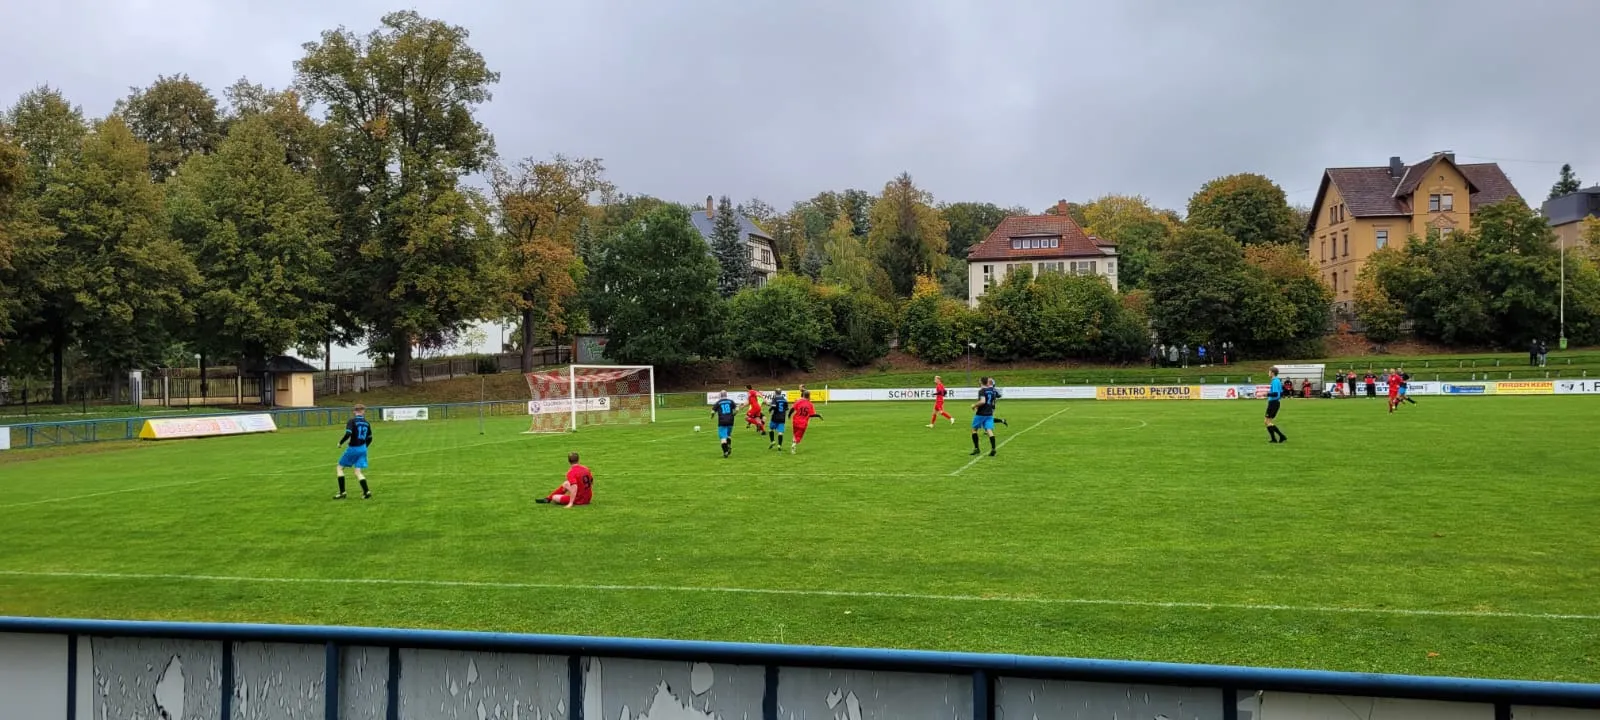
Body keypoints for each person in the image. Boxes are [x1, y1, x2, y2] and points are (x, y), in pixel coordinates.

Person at [335, 404, 374, 499]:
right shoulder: (367, 423)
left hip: (353, 448)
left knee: (339, 468)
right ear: (363, 411)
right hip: (363, 448)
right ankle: (366, 492)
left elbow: (348, 433)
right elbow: (370, 438)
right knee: (358, 471)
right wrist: (364, 447)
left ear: (354, 411)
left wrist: (340, 442)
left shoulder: (352, 421)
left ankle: (342, 492)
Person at [969, 377, 1007, 457]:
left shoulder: (982, 391)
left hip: (981, 414)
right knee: (989, 430)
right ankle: (993, 449)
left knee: (974, 430)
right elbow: (995, 398)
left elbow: (982, 401)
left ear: (981, 382)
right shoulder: (992, 390)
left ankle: (976, 449)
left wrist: (974, 405)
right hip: (989, 413)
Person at [790, 390, 822, 454]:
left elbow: (792, 408)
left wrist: (789, 415)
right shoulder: (810, 404)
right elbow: (811, 415)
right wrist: (818, 415)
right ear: (809, 396)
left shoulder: (798, 401)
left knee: (795, 434)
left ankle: (794, 444)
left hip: (795, 421)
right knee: (798, 437)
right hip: (803, 423)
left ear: (803, 395)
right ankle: (794, 444)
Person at [1264, 367, 1287, 444]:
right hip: (1275, 402)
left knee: (1267, 421)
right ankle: (1274, 439)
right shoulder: (1277, 381)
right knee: (1267, 421)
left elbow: (1276, 394)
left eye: (1269, 371)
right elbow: (1281, 393)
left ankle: (1281, 436)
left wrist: (1267, 394)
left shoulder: (1275, 381)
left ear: (1272, 373)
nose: (1268, 373)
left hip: (1273, 403)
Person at [711, 391, 737, 457]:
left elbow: (713, 412)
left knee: (723, 437)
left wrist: (712, 416)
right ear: (726, 395)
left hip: (722, 421)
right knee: (728, 435)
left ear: (720, 395)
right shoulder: (731, 401)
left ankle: (725, 452)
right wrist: (734, 414)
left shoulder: (718, 402)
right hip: (731, 421)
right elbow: (737, 409)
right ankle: (729, 445)